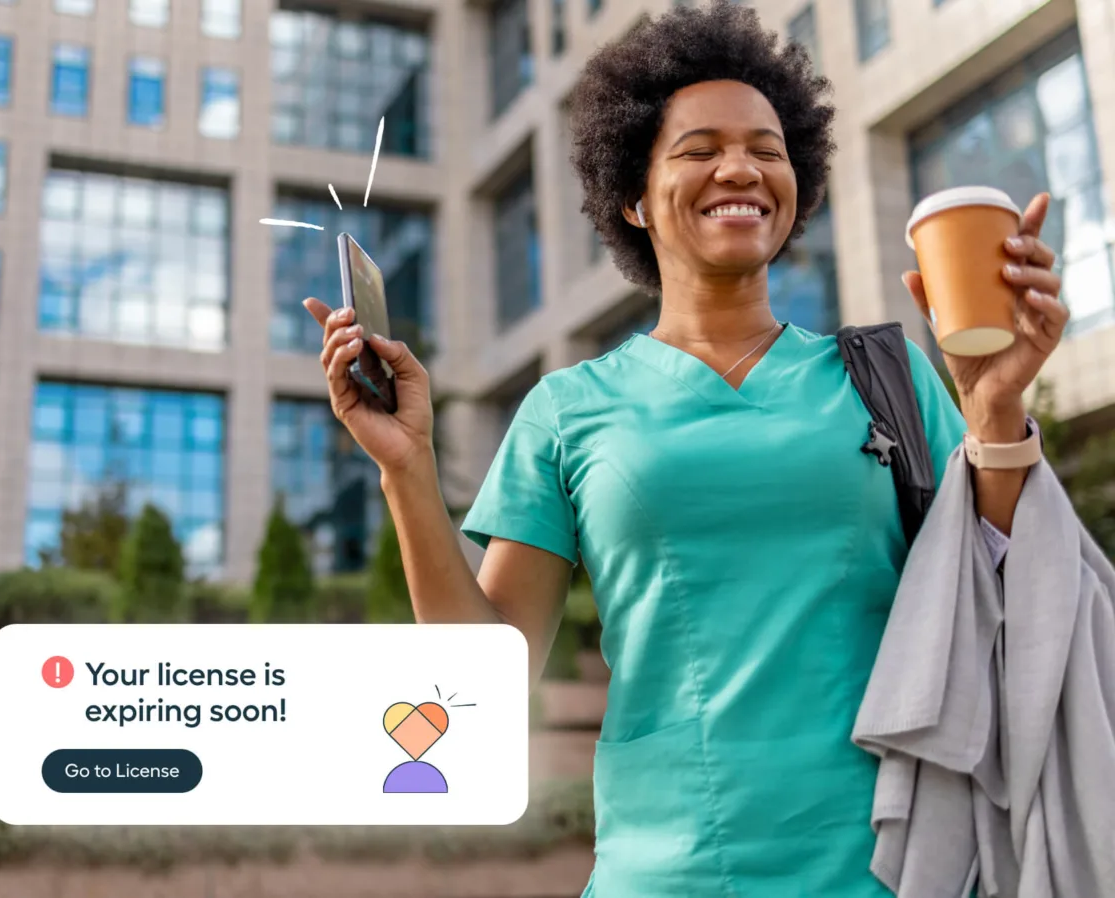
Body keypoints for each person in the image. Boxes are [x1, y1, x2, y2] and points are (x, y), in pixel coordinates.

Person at [302, 4, 1070, 894]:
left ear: (797, 184)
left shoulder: (891, 385)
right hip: (662, 876)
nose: (739, 168)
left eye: (767, 149)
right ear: (633, 194)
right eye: (699, 150)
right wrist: (406, 471)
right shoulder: (568, 410)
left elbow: (1016, 602)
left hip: (892, 873)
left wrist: (999, 411)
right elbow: (488, 675)